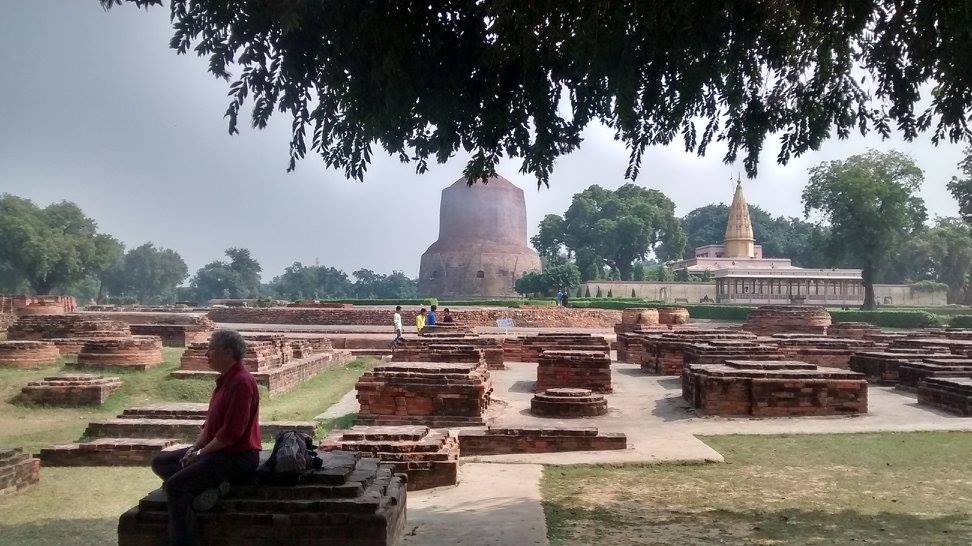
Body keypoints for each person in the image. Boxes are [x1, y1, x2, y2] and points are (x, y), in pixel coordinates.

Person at [151, 329, 261, 546]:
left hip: (237, 456)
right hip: (216, 451)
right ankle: (211, 488)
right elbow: (209, 426)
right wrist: (195, 448)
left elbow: (231, 434)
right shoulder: (225, 381)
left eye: (211, 349)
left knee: (175, 487)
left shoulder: (242, 383)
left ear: (228, 352)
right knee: (161, 462)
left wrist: (200, 454)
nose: (206, 354)